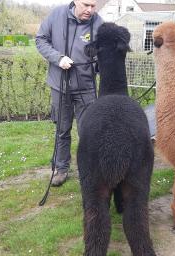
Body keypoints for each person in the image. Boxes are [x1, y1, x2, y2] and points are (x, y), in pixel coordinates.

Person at [36, 0, 103, 187]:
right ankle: (61, 168)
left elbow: (105, 53)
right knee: (62, 130)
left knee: (88, 131)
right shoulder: (57, 15)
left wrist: (100, 61)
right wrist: (58, 58)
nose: (90, 10)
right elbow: (40, 39)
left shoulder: (99, 23)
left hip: (87, 88)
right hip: (60, 85)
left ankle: (89, 170)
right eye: (86, 5)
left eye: (93, 6)